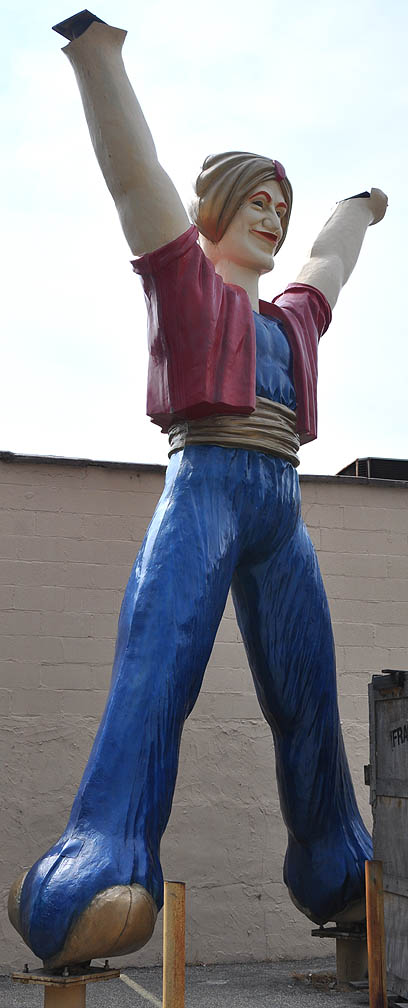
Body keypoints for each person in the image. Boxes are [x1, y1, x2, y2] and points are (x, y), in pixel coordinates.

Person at [8, 11, 388, 970]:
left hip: (280, 505)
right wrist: (98, 61)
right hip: (205, 487)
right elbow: (134, 179)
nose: (272, 219)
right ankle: (101, 854)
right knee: (158, 673)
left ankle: (333, 858)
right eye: (257, 200)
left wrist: (356, 211)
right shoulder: (186, 282)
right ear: (215, 208)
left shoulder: (290, 321)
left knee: (306, 690)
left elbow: (329, 266)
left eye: (281, 208)